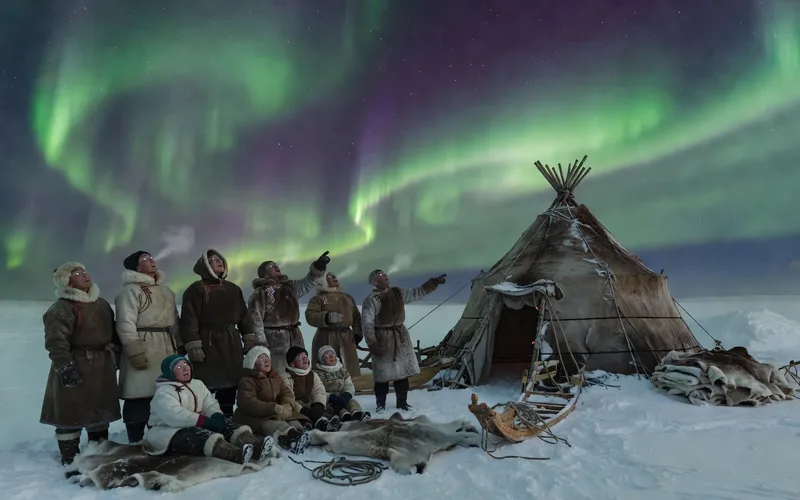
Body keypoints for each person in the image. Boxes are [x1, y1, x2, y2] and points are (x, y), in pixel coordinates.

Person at [40, 262, 121, 465]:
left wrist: (116, 355)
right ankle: (70, 457)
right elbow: (56, 342)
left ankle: (99, 451)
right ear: (67, 280)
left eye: (84, 271)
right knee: (71, 412)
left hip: (102, 365)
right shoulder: (61, 308)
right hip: (75, 363)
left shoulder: (101, 304)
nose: (84, 275)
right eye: (76, 273)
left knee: (100, 409)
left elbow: (114, 333)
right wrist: (64, 367)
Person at [143, 354, 273, 464]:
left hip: (195, 422)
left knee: (226, 424)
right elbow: (175, 415)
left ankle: (255, 445)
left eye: (186, 364)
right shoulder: (164, 392)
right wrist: (203, 421)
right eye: (178, 367)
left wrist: (216, 415)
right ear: (169, 372)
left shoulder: (197, 384)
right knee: (199, 436)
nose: (185, 369)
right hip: (167, 430)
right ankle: (235, 454)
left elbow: (209, 403)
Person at [115, 250, 182, 443]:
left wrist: (180, 347)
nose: (151, 260)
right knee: (138, 394)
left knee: (163, 392)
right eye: (145, 259)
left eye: (151, 257)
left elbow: (175, 322)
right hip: (144, 344)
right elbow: (125, 323)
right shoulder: (130, 291)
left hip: (167, 347)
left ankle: (158, 435)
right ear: (136, 267)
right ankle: (135, 437)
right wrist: (134, 350)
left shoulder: (166, 291)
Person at [180, 248, 255, 417]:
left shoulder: (233, 289)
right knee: (207, 384)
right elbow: (189, 320)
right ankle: (206, 419)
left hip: (231, 342)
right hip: (208, 342)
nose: (219, 260)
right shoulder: (196, 289)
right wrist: (193, 346)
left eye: (220, 258)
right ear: (205, 266)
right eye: (213, 259)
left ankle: (227, 417)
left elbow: (244, 316)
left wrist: (248, 338)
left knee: (230, 383)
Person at [361, 269, 447, 413]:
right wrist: (373, 343)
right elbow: (367, 324)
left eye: (385, 273)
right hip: (383, 338)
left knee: (402, 373)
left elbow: (416, 293)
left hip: (400, 337)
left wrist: (433, 283)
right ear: (375, 282)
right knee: (382, 375)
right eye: (381, 275)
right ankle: (380, 405)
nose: (385, 276)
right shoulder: (371, 300)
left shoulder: (397, 292)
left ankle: (402, 403)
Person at [249, 251, 331, 376]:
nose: (276, 266)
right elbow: (256, 319)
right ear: (264, 273)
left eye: (276, 264)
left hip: (295, 336)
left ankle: (301, 394)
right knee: (279, 373)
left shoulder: (289, 287)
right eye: (271, 266)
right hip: (275, 340)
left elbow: (307, 283)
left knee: (299, 371)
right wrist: (261, 342)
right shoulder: (260, 293)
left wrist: (318, 267)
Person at [233, 346, 312, 454]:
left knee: (294, 422)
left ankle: (300, 434)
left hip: (277, 412)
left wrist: (287, 405)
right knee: (278, 426)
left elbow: (286, 393)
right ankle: (291, 438)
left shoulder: (275, 377)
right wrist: (273, 408)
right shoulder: (247, 381)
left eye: (267, 358)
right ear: (252, 364)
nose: (266, 361)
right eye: (260, 359)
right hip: (255, 417)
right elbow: (248, 402)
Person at [306, 271, 363, 380]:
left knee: (348, 373)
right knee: (327, 371)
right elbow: (310, 316)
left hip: (347, 338)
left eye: (334, 275)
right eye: (330, 277)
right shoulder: (318, 299)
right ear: (323, 281)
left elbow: (356, 316)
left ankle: (348, 392)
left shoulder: (347, 297)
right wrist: (326, 317)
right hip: (326, 337)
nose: (334, 277)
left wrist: (357, 332)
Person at [283, 346, 340, 431]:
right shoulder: (286, 378)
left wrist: (318, 405)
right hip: (297, 408)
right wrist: (302, 410)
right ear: (292, 363)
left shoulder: (312, 375)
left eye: (305, 355)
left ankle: (323, 423)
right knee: (294, 416)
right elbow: (288, 398)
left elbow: (319, 390)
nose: (305, 358)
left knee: (326, 410)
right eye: (300, 356)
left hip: (310, 405)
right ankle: (304, 427)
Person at [314, 345, 369, 422]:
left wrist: (347, 395)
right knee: (335, 407)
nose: (331, 356)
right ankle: (344, 416)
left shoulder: (342, 371)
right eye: (327, 354)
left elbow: (349, 385)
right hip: (328, 400)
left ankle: (358, 414)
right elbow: (318, 390)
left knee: (352, 402)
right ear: (321, 359)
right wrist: (330, 397)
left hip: (343, 397)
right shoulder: (318, 374)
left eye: (332, 354)